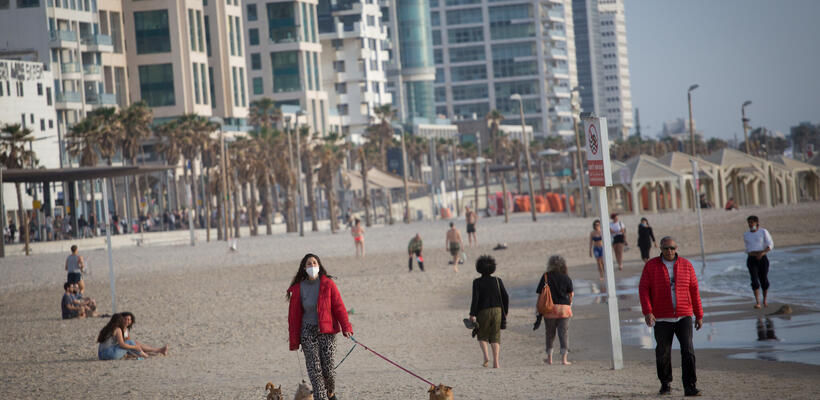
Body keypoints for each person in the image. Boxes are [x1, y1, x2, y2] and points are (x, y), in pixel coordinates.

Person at [639, 236, 703, 397]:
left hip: (684, 315)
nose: (669, 251)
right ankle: (665, 383)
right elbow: (644, 289)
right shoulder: (651, 266)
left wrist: (699, 314)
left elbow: (694, 290)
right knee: (663, 352)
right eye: (666, 248)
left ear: (676, 249)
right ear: (660, 249)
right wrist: (648, 311)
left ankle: (690, 386)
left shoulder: (686, 265)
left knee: (688, 350)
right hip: (661, 317)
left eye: (672, 248)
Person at [287, 254, 352, 400]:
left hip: (327, 331)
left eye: (314, 263)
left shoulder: (328, 284)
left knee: (328, 370)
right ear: (304, 268)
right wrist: (294, 339)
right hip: (307, 331)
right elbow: (293, 317)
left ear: (319, 265)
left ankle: (330, 393)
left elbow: (339, 307)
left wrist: (346, 327)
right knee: (315, 371)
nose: (312, 266)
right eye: (309, 264)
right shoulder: (298, 289)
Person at [468, 255, 508, 369]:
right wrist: (505, 311)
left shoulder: (477, 282)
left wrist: (472, 314)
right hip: (498, 311)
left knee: (482, 334)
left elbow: (475, 299)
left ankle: (486, 357)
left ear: (478, 268)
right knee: (495, 335)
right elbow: (505, 297)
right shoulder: (497, 280)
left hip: (483, 311)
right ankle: (496, 362)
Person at [534, 255, 574, 365]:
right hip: (564, 310)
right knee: (564, 333)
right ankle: (564, 359)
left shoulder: (546, 276)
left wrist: (538, 308)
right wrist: (569, 304)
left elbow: (540, 294)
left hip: (549, 309)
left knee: (550, 334)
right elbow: (571, 294)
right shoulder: (566, 277)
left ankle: (550, 358)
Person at [743, 215, 774, 309]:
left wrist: (763, 253)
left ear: (757, 223)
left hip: (762, 258)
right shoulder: (746, 234)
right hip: (751, 258)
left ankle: (764, 300)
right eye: (749, 222)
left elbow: (770, 244)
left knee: (763, 279)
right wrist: (752, 253)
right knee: (754, 280)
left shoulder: (763, 232)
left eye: (752, 222)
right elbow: (748, 248)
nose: (750, 224)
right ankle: (757, 302)